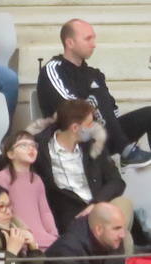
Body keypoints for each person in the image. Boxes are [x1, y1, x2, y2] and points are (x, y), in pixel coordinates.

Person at [37, 18, 151, 166]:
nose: (94, 44)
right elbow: (72, 107)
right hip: (71, 137)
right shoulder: (53, 69)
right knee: (95, 96)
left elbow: (112, 111)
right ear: (70, 43)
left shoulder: (94, 74)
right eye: (88, 39)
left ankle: (124, 149)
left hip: (102, 135)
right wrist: (94, 103)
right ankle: (124, 149)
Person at [33, 100, 132, 234]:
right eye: (90, 124)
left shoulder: (93, 146)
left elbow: (116, 181)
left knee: (122, 207)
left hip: (99, 206)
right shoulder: (40, 147)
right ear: (75, 128)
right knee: (112, 231)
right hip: (69, 214)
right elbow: (7, 155)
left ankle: (119, 248)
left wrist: (96, 203)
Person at [0, 130, 61, 250]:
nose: (30, 149)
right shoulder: (3, 177)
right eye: (23, 145)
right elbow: (5, 210)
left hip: (44, 239)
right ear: (10, 154)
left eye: (33, 146)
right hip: (21, 238)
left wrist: (52, 233)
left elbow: (45, 211)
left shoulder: (37, 179)